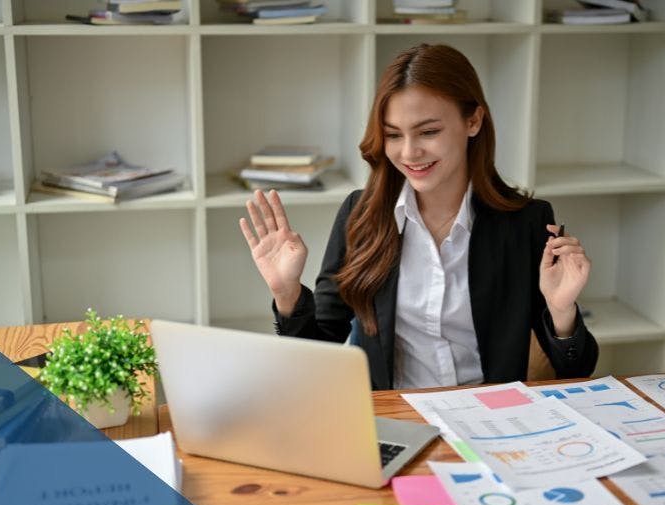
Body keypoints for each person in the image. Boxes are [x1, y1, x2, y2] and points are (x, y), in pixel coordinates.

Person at [239, 43, 598, 390]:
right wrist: (286, 292)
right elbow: (318, 352)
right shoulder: (361, 215)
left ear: (473, 121)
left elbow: (575, 369)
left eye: (428, 131)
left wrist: (562, 310)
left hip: (490, 417)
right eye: (394, 135)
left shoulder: (527, 222)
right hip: (395, 416)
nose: (409, 152)